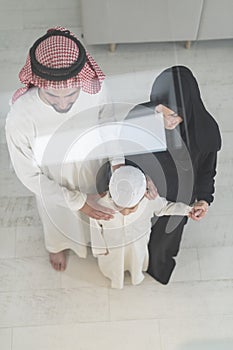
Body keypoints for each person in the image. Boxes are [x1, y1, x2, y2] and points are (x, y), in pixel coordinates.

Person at [5, 26, 125, 271]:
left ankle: (92, 240)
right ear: (39, 83)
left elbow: (108, 122)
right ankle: (57, 245)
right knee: (58, 218)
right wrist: (77, 201)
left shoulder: (96, 89)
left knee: (94, 213)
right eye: (52, 95)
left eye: (71, 94)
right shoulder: (20, 115)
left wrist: (118, 164)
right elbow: (28, 174)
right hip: (52, 179)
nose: (63, 103)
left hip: (92, 167)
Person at [125, 66, 221, 284]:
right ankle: (132, 265)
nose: (166, 121)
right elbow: (124, 154)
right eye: (160, 112)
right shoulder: (139, 117)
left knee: (165, 239)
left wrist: (204, 199)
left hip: (180, 194)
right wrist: (141, 179)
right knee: (134, 233)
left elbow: (207, 170)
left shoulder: (205, 131)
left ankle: (157, 267)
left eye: (174, 115)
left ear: (187, 110)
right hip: (142, 191)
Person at [90, 165, 193, 289]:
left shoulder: (148, 200)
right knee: (114, 263)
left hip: (138, 243)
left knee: (136, 260)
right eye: (119, 207)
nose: (126, 212)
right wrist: (99, 249)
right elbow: (94, 227)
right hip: (112, 246)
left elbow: (165, 207)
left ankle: (135, 274)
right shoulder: (100, 205)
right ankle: (115, 277)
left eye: (132, 208)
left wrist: (188, 210)